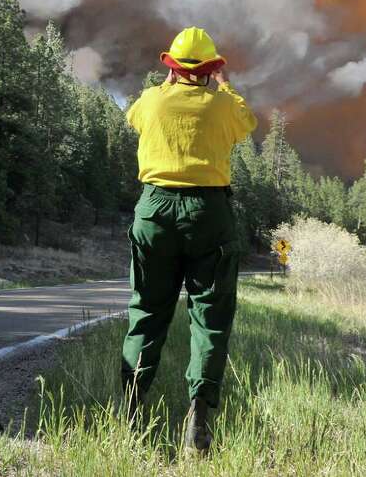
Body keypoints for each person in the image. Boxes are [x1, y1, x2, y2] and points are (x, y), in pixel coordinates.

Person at [121, 26, 257, 453]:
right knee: (210, 319)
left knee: (145, 313)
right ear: (212, 70)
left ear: (173, 68)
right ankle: (199, 415)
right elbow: (247, 122)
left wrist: (163, 87)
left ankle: (131, 412)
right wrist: (226, 85)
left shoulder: (151, 100)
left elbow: (132, 119)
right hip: (209, 213)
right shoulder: (223, 106)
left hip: (154, 209)